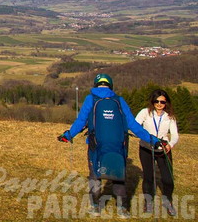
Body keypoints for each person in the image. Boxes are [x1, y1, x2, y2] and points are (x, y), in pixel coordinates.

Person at [57, 73, 167, 219]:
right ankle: (122, 209)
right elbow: (133, 126)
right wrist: (153, 140)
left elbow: (81, 121)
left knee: (95, 176)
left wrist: (68, 135)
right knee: (118, 176)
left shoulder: (91, 99)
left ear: (96, 85)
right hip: (119, 147)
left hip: (96, 146)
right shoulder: (119, 101)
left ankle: (95, 207)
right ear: (110, 85)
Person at [136, 89, 179, 216]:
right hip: (146, 148)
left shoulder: (169, 116)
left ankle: (168, 201)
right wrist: (146, 137)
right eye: (156, 101)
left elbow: (175, 134)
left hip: (163, 150)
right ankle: (148, 202)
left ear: (166, 103)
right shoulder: (145, 112)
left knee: (168, 179)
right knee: (148, 177)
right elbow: (135, 127)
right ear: (152, 101)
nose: (159, 104)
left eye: (162, 102)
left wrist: (170, 145)